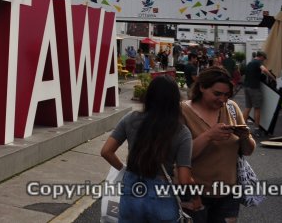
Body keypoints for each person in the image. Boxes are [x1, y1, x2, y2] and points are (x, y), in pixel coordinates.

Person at [101, 76, 198, 222]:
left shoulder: (131, 118)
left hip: (132, 189)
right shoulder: (182, 132)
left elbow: (106, 151)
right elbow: (184, 179)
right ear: (176, 101)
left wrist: (124, 170)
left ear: (148, 96)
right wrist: (196, 196)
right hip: (161, 195)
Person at [181, 67, 256, 223]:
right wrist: (209, 136)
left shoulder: (232, 108)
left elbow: (248, 151)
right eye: (217, 94)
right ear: (202, 87)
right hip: (194, 194)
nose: (222, 99)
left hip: (229, 195)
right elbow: (180, 157)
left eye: (226, 95)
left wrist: (244, 137)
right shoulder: (182, 111)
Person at [243, 51, 272, 134]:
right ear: (261, 57)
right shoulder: (258, 62)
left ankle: (242, 127)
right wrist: (272, 78)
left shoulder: (250, 63)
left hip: (246, 87)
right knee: (257, 108)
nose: (264, 60)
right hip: (254, 88)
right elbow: (264, 70)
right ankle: (256, 129)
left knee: (248, 107)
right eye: (264, 58)